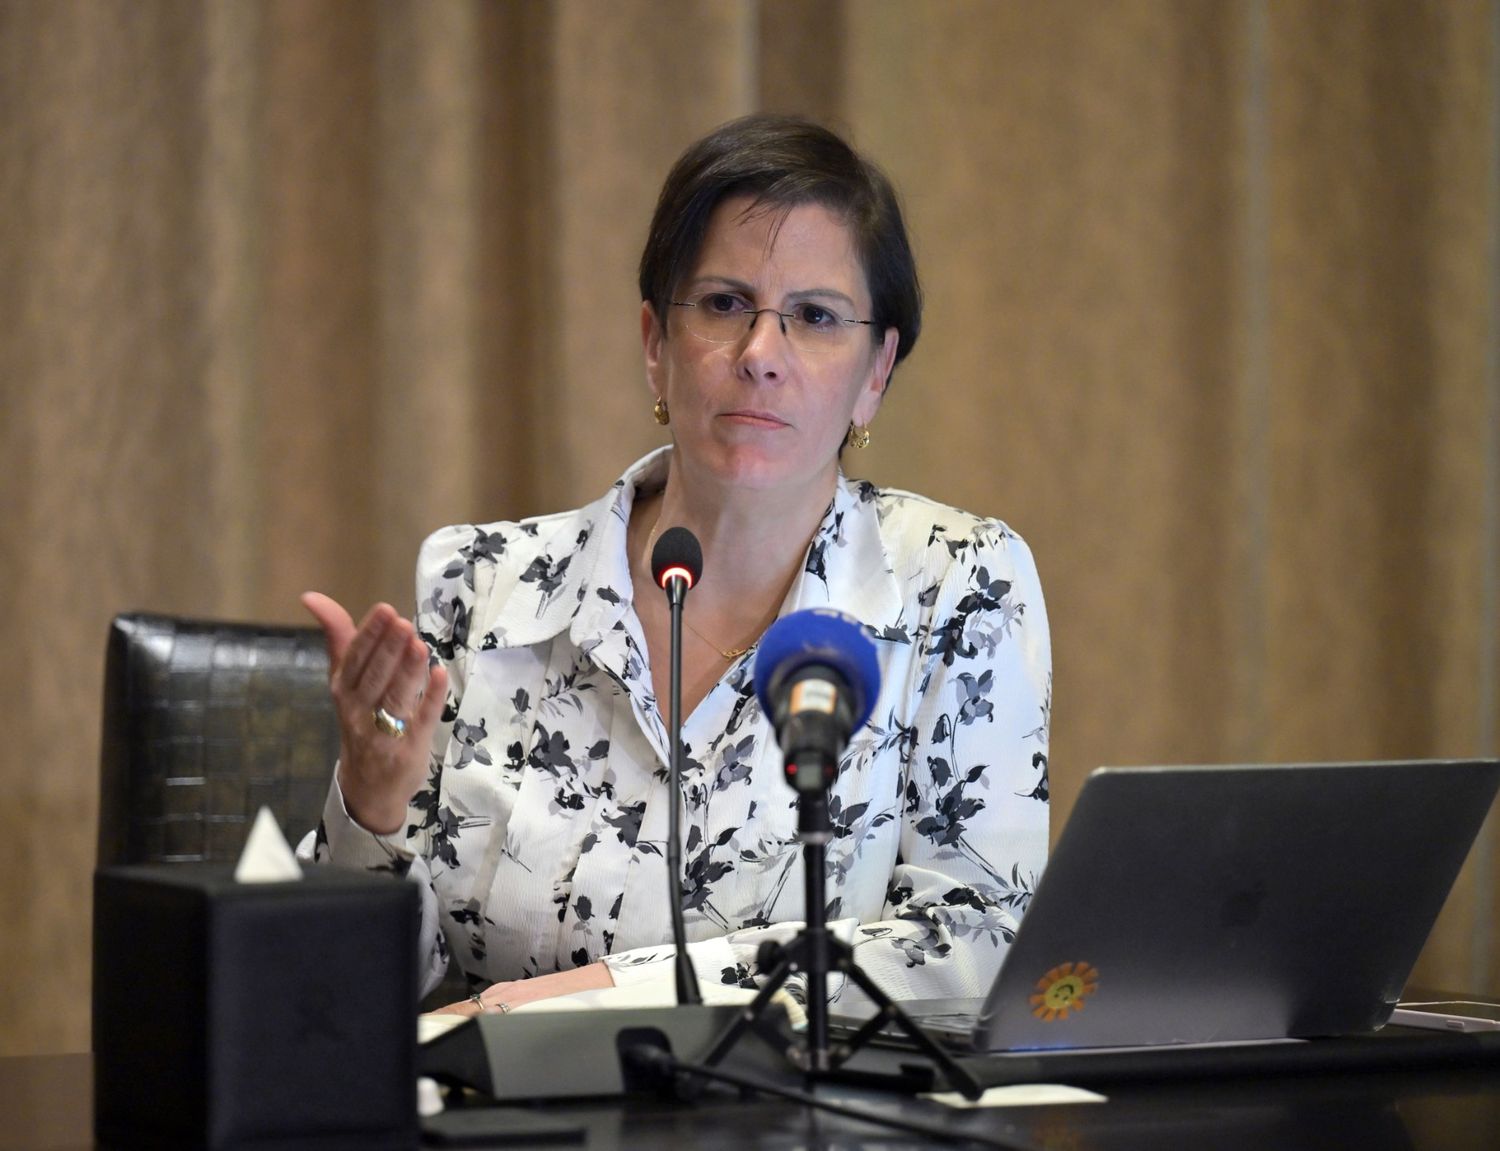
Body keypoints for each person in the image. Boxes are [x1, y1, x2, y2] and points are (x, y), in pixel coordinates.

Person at [300, 114, 1051, 1017]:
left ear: (876, 371)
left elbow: (975, 943)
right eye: (726, 304)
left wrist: (596, 997)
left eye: (815, 317)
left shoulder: (958, 587)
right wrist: (371, 808)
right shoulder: (487, 583)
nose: (761, 356)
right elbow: (341, 997)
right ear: (656, 344)